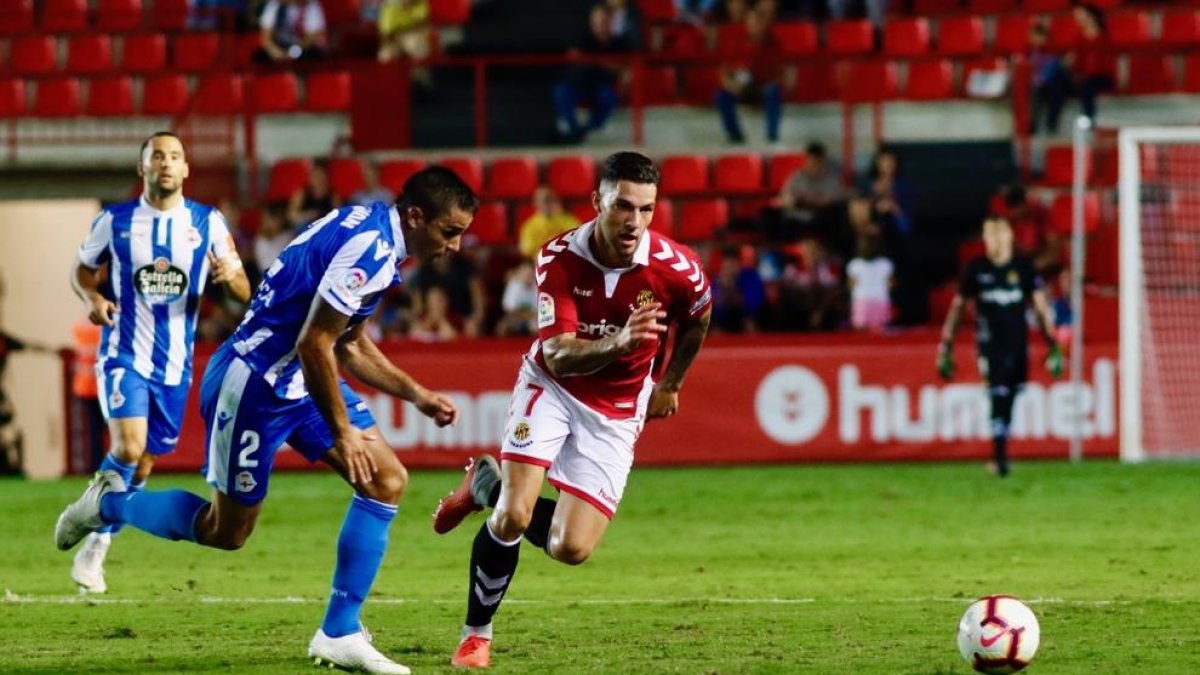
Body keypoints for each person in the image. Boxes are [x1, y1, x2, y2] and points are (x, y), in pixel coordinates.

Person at [55, 166, 479, 674]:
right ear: (416, 216)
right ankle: (110, 503)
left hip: (296, 377)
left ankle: (339, 631)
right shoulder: (370, 249)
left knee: (385, 479)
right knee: (225, 532)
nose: (454, 246)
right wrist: (343, 432)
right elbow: (315, 343)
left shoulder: (369, 229)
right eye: (449, 232)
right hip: (253, 382)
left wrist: (416, 393)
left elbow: (346, 341)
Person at [429, 151, 713, 669]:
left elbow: (698, 317)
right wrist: (623, 343)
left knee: (570, 548)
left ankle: (485, 485)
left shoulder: (677, 268)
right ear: (597, 202)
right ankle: (476, 635)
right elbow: (558, 352)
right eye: (623, 206)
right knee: (515, 515)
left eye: (647, 210)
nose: (634, 222)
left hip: (618, 412)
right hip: (553, 387)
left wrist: (670, 382)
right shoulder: (557, 258)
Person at [66, 131, 251, 595]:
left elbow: (244, 292)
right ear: (142, 168)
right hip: (124, 353)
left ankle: (96, 547)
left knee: (146, 460)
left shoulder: (207, 223)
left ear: (186, 169)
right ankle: (92, 513)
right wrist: (92, 296)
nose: (166, 163)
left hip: (175, 365)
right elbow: (84, 269)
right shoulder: (116, 221)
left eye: (174, 157)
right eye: (157, 157)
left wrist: (231, 280)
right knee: (129, 448)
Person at [937, 216, 1062, 478]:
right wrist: (946, 345)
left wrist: (1052, 343)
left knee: (1012, 395)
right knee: (999, 394)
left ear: (1008, 236)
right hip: (989, 345)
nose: (991, 241)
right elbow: (958, 308)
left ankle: (1000, 452)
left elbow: (1040, 307)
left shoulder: (1023, 267)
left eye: (996, 235)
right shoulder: (976, 270)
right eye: (987, 236)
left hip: (1018, 345)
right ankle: (1000, 459)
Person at [552, 4, 635, 143]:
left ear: (610, 22)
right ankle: (574, 128)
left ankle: (589, 129)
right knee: (561, 92)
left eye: (603, 21)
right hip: (581, 84)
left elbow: (625, 68)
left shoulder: (621, 43)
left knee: (608, 97)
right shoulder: (583, 38)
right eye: (595, 21)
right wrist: (603, 64)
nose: (598, 25)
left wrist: (597, 64)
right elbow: (575, 59)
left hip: (602, 86)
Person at [1030, 3, 1114, 134]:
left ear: (1091, 17)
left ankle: (1088, 121)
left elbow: (1101, 66)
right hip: (1082, 78)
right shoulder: (1079, 38)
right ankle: (1051, 125)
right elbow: (1076, 62)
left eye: (1082, 16)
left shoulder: (1104, 38)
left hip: (1101, 78)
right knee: (1057, 84)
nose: (1079, 20)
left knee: (1087, 86)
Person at [715, 7, 783, 144]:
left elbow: (781, 73)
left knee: (773, 91)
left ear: (764, 23)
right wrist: (731, 85)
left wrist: (769, 84)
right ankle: (735, 136)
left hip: (763, 88)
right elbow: (724, 71)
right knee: (721, 95)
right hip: (741, 87)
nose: (754, 25)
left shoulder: (774, 45)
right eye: (751, 22)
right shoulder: (737, 44)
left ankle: (772, 136)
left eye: (757, 21)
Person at [517, 185, 581, 259]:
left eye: (551, 199)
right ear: (535, 203)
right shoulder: (529, 226)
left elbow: (578, 239)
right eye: (545, 200)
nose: (548, 204)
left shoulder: (567, 220)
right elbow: (527, 252)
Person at [846, 235, 893, 333]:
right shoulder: (854, 264)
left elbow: (890, 284)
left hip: (878, 300)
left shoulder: (885, 264)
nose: (867, 247)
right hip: (863, 300)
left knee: (878, 331)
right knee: (861, 330)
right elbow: (851, 285)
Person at [255, 0, 328, 63]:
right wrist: (274, 51)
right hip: (280, 46)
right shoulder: (275, 4)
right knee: (259, 56)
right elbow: (266, 36)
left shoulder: (311, 5)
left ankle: (303, 78)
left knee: (313, 55)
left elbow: (311, 38)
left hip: (301, 48)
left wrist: (293, 53)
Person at [289, 159, 341, 229]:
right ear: (311, 178)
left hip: (326, 226)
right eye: (315, 176)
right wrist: (307, 215)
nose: (318, 179)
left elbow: (339, 214)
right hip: (306, 226)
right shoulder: (302, 193)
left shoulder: (333, 195)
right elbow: (291, 215)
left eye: (320, 176)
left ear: (326, 178)